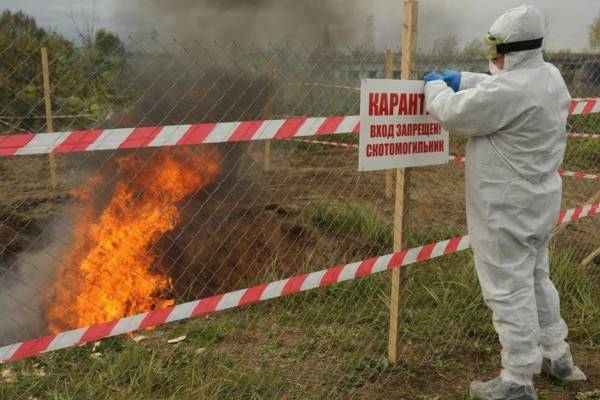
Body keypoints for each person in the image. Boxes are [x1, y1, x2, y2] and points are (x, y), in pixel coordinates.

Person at [423, 5, 586, 400]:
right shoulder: (550, 77)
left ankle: (516, 378)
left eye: (496, 48)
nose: (492, 56)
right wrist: (464, 78)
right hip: (539, 204)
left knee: (507, 289)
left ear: (514, 49)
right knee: (535, 279)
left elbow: (453, 113)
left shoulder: (510, 91)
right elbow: (502, 85)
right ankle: (557, 355)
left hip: (504, 210)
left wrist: (436, 86)